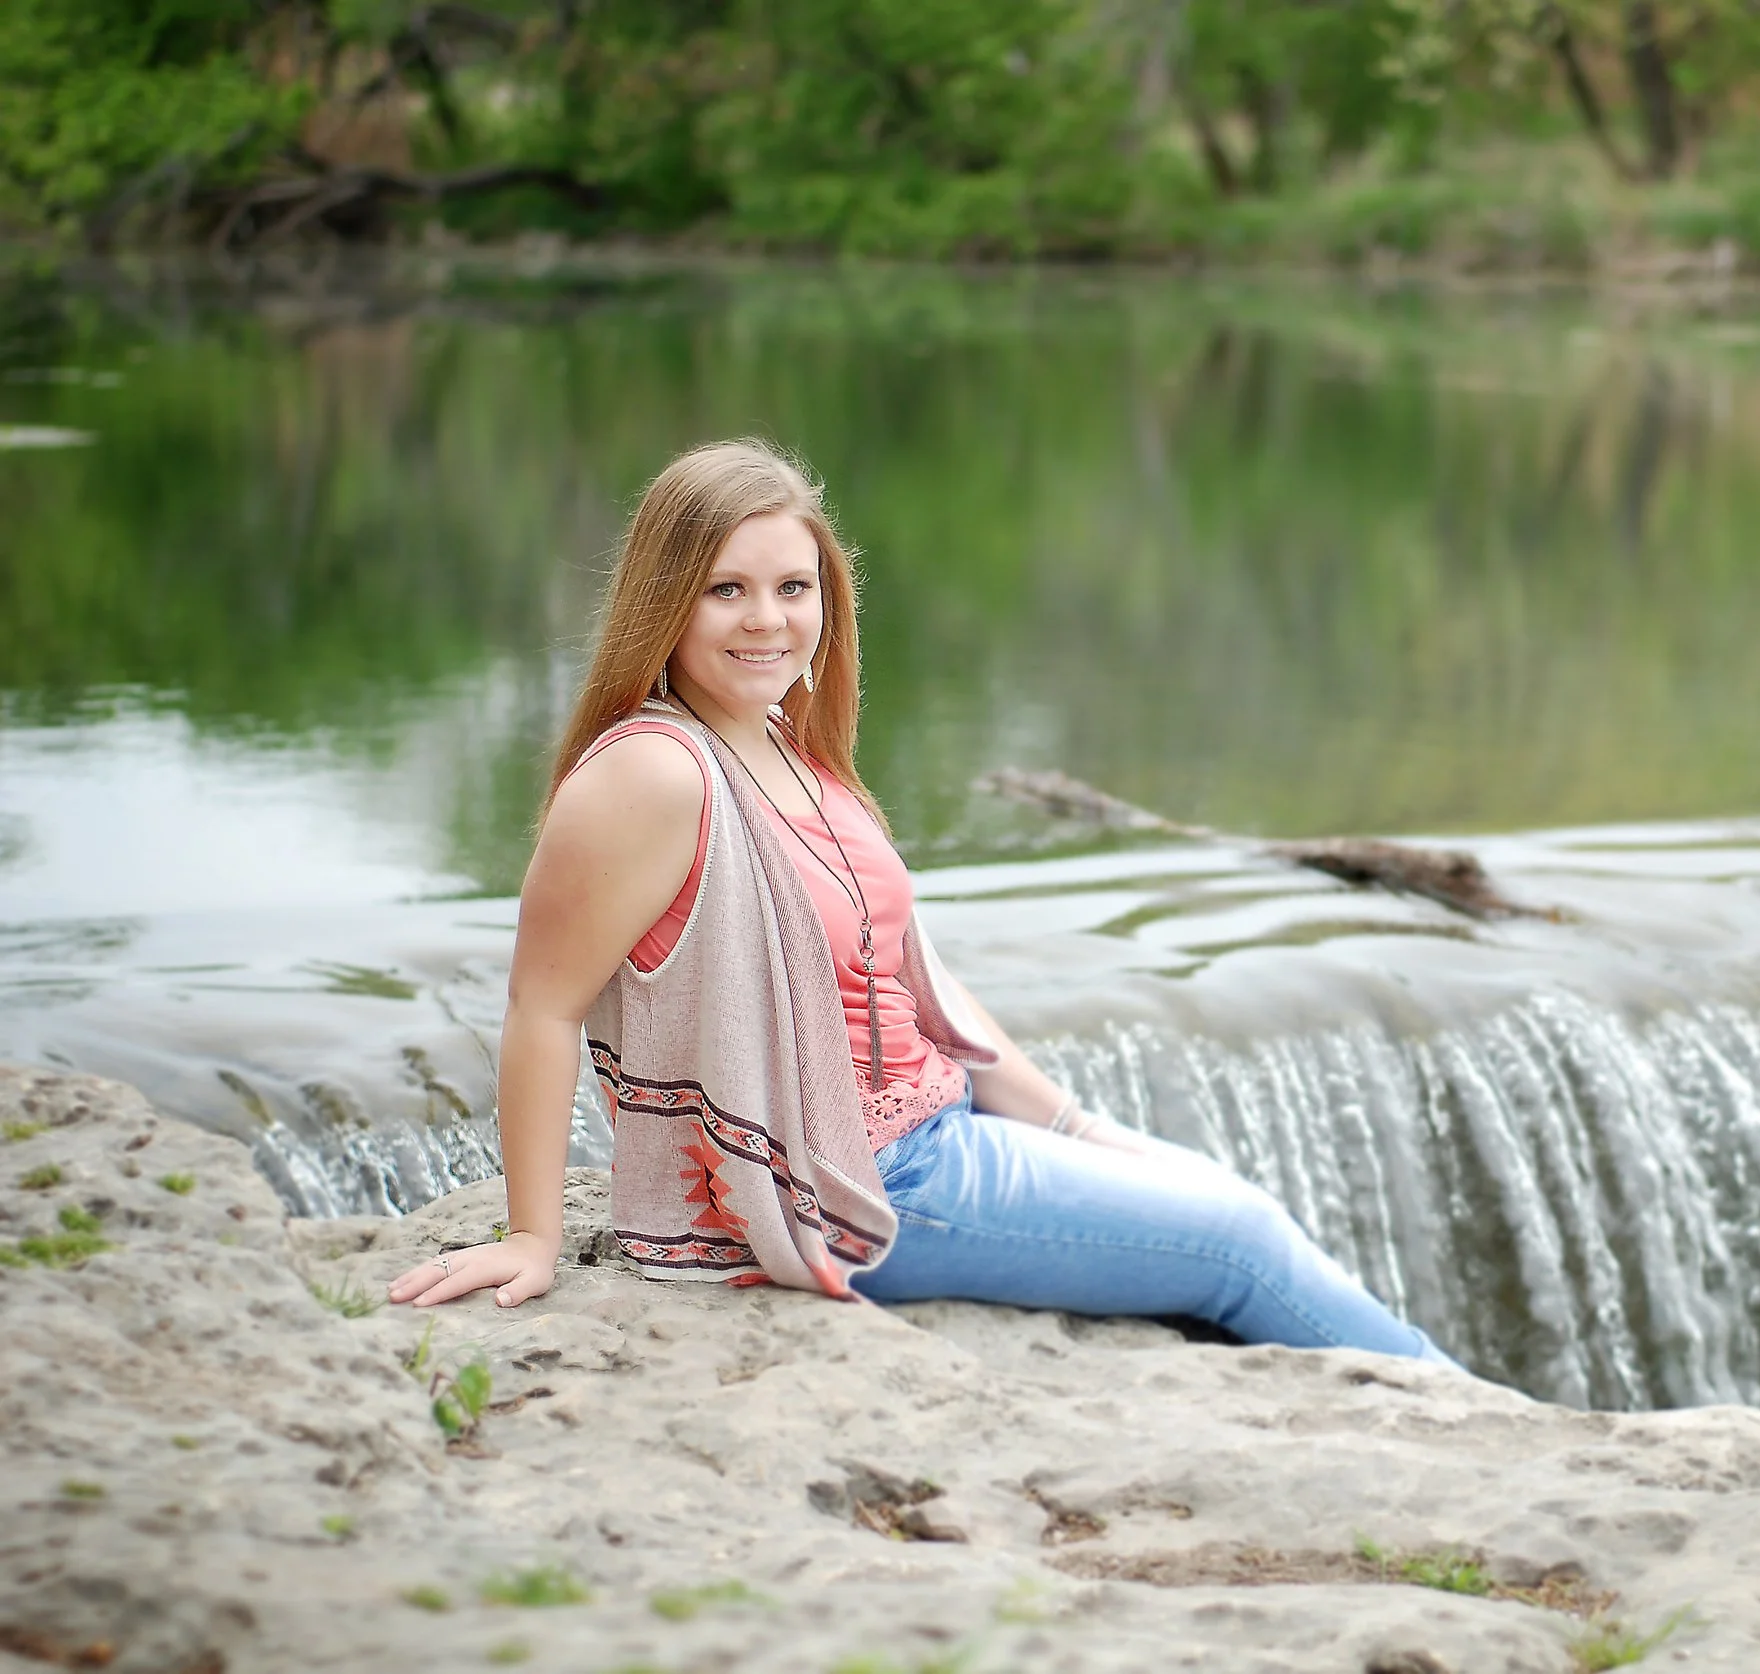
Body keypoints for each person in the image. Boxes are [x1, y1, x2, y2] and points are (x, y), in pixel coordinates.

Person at [388, 438, 1452, 1366]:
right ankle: (1459, 1417)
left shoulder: (794, 752)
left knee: (1228, 1202)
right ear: (664, 602)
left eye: (794, 588)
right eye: (727, 590)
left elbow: (910, 977)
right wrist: (531, 1236)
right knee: (1239, 1245)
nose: (768, 620)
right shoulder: (654, 774)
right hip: (861, 1186)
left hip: (935, 1134)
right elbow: (542, 1007)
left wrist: (1076, 1126)